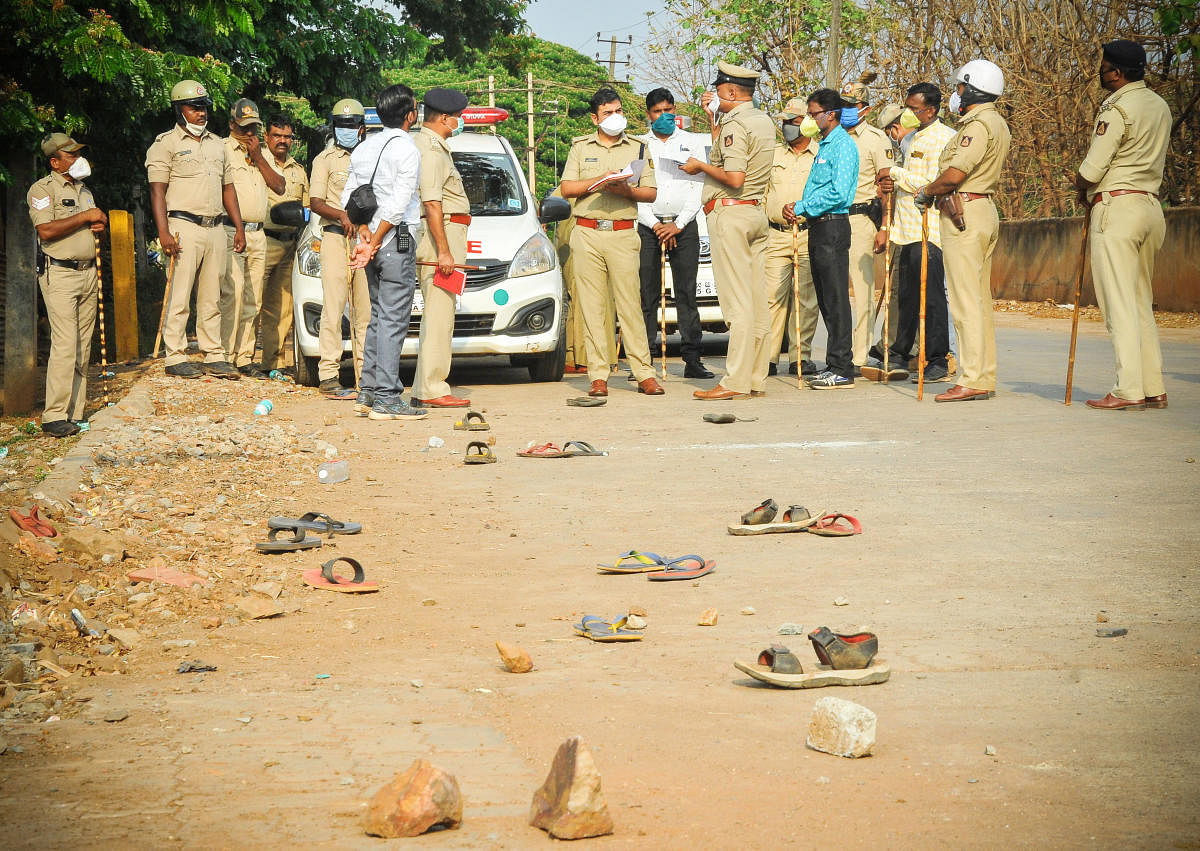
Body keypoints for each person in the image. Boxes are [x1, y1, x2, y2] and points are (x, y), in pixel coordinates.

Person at [1071, 40, 1171, 411]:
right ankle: (1153, 387)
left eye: (1104, 65)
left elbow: (1093, 168)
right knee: (1141, 301)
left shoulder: (1117, 108)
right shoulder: (1159, 105)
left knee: (1119, 304)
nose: (1101, 71)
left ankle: (1127, 388)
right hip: (1150, 206)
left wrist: (1079, 183)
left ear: (1116, 72)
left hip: (1118, 207)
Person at [558, 86, 663, 398]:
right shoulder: (579, 147)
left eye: (618, 111)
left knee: (630, 305)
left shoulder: (639, 147)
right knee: (592, 307)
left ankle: (644, 373)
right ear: (595, 118)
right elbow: (566, 188)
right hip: (587, 232)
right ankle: (598, 375)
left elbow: (651, 192)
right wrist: (598, 181)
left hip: (622, 232)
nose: (615, 117)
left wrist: (625, 191)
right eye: (608, 113)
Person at [918, 60, 1012, 403]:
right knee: (979, 299)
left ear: (972, 89)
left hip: (963, 212)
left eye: (959, 88)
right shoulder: (996, 123)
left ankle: (971, 377)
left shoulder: (978, 125)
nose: (956, 95)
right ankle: (982, 376)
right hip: (981, 209)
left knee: (964, 299)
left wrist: (928, 191)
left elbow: (956, 174)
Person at [682, 61, 774, 400]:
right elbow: (732, 156)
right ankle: (754, 378)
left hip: (731, 215)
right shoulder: (761, 120)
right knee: (756, 301)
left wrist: (699, 166)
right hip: (754, 213)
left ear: (732, 92)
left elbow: (733, 177)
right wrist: (713, 119)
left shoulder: (737, 123)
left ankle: (734, 381)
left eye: (720, 91)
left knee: (737, 304)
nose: (717, 95)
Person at [146, 80, 244, 380]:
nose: (201, 113)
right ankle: (175, 355)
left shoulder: (218, 144)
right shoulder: (166, 143)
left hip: (216, 227)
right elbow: (157, 192)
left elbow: (228, 188)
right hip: (182, 226)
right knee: (179, 293)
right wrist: (163, 233)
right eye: (194, 108)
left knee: (212, 295)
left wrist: (238, 226)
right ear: (179, 110)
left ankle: (213, 353)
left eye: (204, 108)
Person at [342, 83, 427, 420]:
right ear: (410, 115)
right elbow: (398, 204)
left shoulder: (364, 147)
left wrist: (364, 237)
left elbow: (349, 198)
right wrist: (376, 240)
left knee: (378, 317)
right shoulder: (408, 149)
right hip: (395, 242)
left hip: (369, 243)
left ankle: (367, 392)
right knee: (393, 320)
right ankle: (388, 399)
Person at [863, 83, 957, 384]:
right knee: (904, 296)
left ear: (930, 110)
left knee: (930, 298)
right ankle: (900, 353)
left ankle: (938, 358)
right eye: (906, 107)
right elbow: (902, 180)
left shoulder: (946, 138)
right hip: (904, 230)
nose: (908, 113)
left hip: (928, 229)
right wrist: (891, 183)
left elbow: (931, 182)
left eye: (913, 108)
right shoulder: (911, 138)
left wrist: (894, 174)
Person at [27, 133, 105, 437]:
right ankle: (53, 415)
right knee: (65, 343)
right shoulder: (42, 190)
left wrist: (98, 225)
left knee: (83, 345)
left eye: (77, 154)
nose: (76, 159)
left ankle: (74, 412)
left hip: (88, 272)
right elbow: (45, 230)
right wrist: (86, 216)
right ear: (55, 161)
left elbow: (89, 226)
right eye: (70, 155)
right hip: (59, 273)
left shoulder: (84, 191)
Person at [783, 88, 860, 389]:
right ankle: (834, 363)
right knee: (827, 298)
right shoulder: (825, 145)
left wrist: (801, 207)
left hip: (832, 226)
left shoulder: (842, 146)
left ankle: (843, 366)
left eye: (814, 114)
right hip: (818, 226)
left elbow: (839, 192)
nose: (810, 120)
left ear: (830, 114)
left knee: (836, 298)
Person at [636, 87, 713, 379]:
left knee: (686, 293)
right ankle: (644, 360)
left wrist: (678, 224)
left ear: (675, 110)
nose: (664, 116)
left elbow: (699, 187)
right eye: (658, 112)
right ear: (649, 114)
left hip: (684, 225)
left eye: (669, 110)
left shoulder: (691, 142)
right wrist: (654, 224)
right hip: (649, 226)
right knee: (647, 294)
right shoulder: (639, 144)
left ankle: (693, 359)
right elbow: (634, 190)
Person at [411, 87, 472, 408]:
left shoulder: (430, 145)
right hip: (441, 238)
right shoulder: (431, 151)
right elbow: (432, 204)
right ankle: (432, 387)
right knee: (439, 313)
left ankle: (429, 384)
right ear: (445, 119)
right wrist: (445, 251)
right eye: (457, 118)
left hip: (446, 235)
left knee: (440, 311)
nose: (459, 122)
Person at [310, 98, 371, 400]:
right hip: (335, 238)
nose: (346, 130)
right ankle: (329, 375)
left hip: (365, 240)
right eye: (341, 125)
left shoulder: (373, 156)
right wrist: (342, 216)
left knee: (365, 311)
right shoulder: (324, 160)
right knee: (333, 309)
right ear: (335, 127)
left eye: (351, 125)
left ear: (361, 128)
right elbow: (316, 202)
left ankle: (366, 377)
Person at [758, 97, 820, 379]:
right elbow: (762, 195)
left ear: (805, 123)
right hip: (776, 234)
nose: (786, 128)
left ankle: (800, 356)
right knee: (772, 297)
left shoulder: (821, 154)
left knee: (806, 299)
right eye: (783, 123)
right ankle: (768, 358)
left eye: (792, 122)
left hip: (808, 233)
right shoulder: (773, 155)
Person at [219, 98, 281, 379]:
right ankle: (225, 356)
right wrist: (237, 228)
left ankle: (244, 357)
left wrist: (258, 157)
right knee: (231, 295)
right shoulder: (222, 150)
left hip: (259, 233)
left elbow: (279, 186)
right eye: (244, 127)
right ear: (232, 124)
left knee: (253, 299)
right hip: (232, 231)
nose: (249, 133)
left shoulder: (260, 152)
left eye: (253, 127)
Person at [839, 72, 894, 370]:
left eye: (852, 104)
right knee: (834, 289)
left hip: (862, 217)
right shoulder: (832, 137)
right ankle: (839, 353)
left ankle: (859, 355)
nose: (847, 109)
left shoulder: (876, 139)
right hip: (833, 219)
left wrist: (884, 226)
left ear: (865, 109)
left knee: (861, 289)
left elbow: (887, 187)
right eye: (844, 103)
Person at [257, 114, 310, 374]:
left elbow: (308, 207)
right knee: (252, 303)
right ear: (266, 137)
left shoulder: (298, 170)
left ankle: (273, 363)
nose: (283, 141)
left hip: (291, 244)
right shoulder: (256, 163)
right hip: (264, 240)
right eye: (277, 135)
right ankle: (239, 360)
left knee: (283, 308)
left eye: (287, 137)